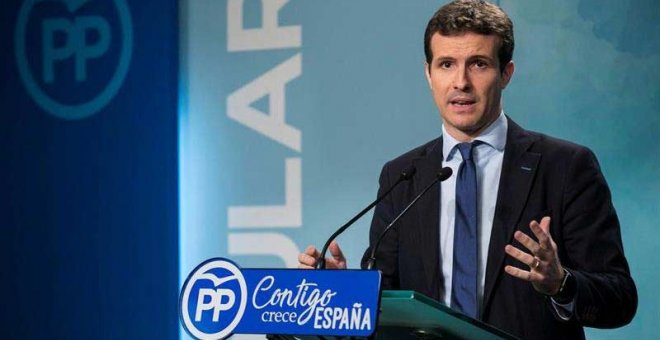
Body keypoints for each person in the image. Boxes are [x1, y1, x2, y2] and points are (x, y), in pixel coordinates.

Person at [298, 0, 637, 338]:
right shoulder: (401, 175)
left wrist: (560, 283)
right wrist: (344, 294)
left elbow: (620, 298)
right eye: (446, 64)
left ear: (506, 73)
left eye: (478, 64)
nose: (461, 82)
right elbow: (387, 296)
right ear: (428, 74)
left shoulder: (566, 167)